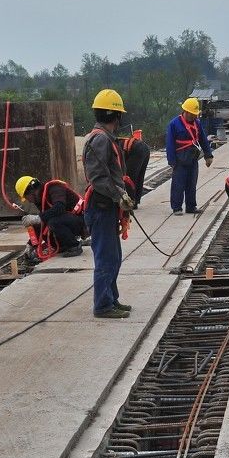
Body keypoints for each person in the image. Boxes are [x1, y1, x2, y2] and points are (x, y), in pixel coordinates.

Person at [84, 88, 137, 320]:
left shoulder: (104, 138)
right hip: (101, 207)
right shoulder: (100, 140)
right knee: (106, 258)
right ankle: (103, 305)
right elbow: (97, 178)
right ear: (116, 116)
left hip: (107, 206)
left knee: (113, 257)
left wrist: (120, 196)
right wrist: (119, 196)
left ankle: (111, 298)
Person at [15, 176, 85, 258]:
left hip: (82, 220)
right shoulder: (40, 199)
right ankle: (62, 246)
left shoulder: (54, 188)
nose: (29, 201)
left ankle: (74, 246)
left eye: (26, 197)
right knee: (43, 221)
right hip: (68, 221)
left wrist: (38, 218)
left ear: (31, 191)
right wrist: (31, 244)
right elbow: (42, 223)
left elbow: (59, 208)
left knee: (54, 222)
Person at [166, 97, 214, 215]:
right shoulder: (174, 124)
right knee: (178, 184)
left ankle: (191, 206)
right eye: (192, 114)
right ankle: (177, 207)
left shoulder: (197, 123)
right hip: (180, 159)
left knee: (192, 183)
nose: (194, 116)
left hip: (193, 158)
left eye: (195, 114)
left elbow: (203, 139)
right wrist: (171, 161)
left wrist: (208, 155)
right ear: (185, 111)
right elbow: (170, 144)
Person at [120, 129, 151, 205]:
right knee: (139, 176)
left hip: (136, 149)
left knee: (129, 178)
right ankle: (136, 200)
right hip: (145, 148)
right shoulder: (115, 142)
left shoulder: (112, 146)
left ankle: (130, 202)